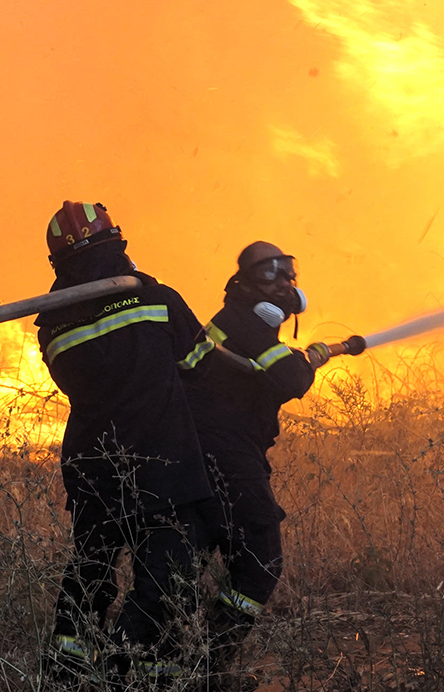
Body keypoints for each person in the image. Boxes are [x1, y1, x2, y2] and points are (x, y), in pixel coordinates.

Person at [34, 201, 211, 686]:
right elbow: (200, 369)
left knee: (91, 572)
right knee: (168, 577)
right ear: (117, 243)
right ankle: (126, 666)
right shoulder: (158, 300)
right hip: (163, 466)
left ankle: (65, 671)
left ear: (59, 264)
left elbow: (81, 378)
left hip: (95, 467)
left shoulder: (52, 324)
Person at [180, 241, 325, 689]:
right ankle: (208, 666)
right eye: (270, 274)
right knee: (260, 561)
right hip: (227, 456)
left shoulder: (237, 324)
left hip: (207, 456)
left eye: (288, 273)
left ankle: (183, 666)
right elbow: (288, 379)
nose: (284, 283)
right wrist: (311, 359)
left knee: (188, 567)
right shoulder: (239, 322)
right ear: (243, 283)